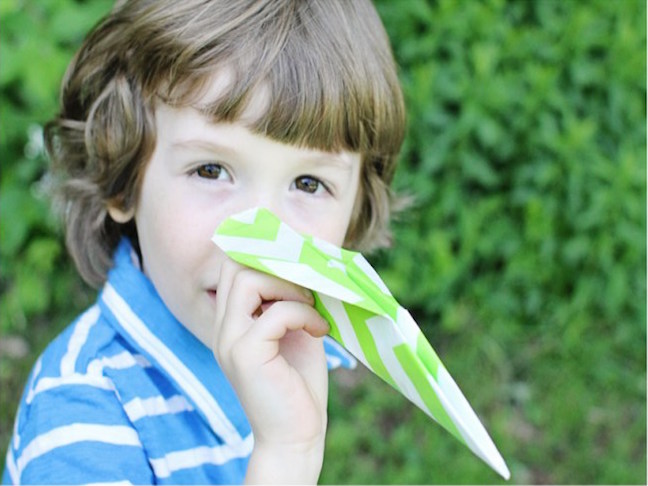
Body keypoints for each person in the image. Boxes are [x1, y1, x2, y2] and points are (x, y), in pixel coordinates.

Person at [2, 0, 405, 483]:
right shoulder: (81, 417)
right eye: (211, 170)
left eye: (308, 183)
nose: (263, 243)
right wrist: (286, 458)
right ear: (123, 176)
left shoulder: (289, 354)